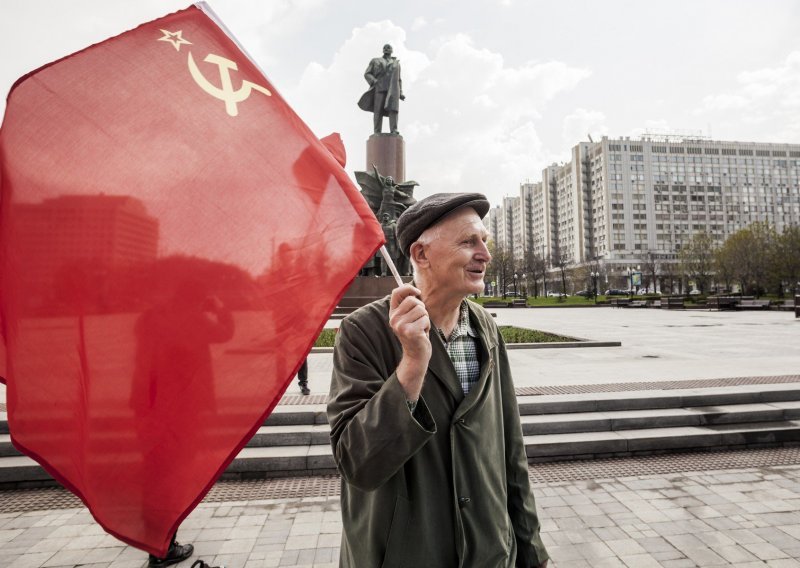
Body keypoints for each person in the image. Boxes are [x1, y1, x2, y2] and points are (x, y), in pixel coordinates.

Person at [328, 193, 550, 567]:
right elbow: (358, 463)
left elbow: (511, 451)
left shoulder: (485, 329)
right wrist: (413, 363)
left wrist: (532, 551)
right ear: (421, 255)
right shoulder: (363, 332)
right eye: (468, 242)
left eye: (484, 241)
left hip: (491, 552)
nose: (485, 254)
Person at [357, 44, 405, 134]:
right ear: (383, 50)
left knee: (393, 110)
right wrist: (374, 81)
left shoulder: (396, 63)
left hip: (393, 89)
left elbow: (399, 79)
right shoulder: (375, 61)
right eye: (385, 48)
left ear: (392, 50)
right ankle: (377, 131)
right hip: (379, 88)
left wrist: (401, 92)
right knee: (378, 110)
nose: (387, 49)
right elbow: (367, 73)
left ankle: (394, 130)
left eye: (389, 48)